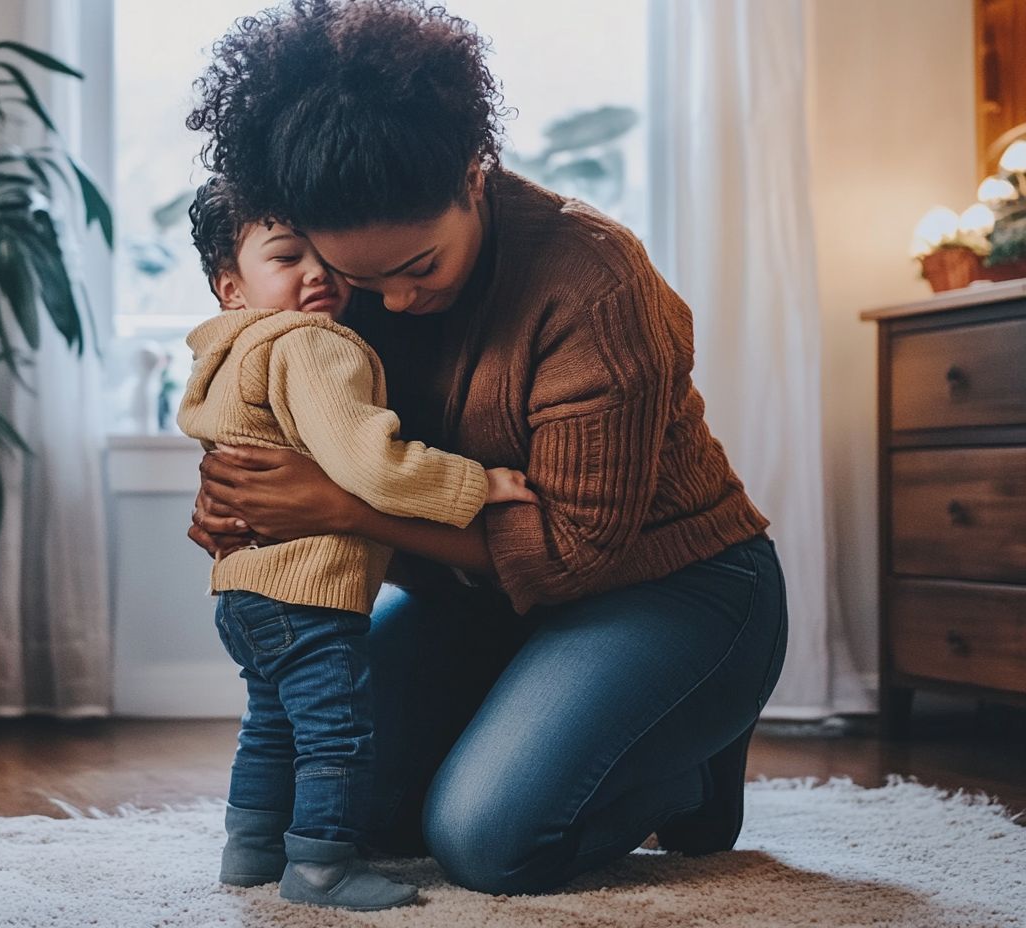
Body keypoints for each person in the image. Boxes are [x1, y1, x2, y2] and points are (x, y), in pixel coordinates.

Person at [186, 0, 789, 896]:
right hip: (483, 595)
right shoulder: (328, 302)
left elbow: (576, 554)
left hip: (674, 586)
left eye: (420, 267)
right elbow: (316, 434)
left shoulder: (593, 285)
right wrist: (244, 497)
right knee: (356, 800)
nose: (391, 303)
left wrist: (341, 509)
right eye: (360, 278)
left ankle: (690, 770)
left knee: (486, 842)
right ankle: (572, 726)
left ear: (474, 177)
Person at [178, 176, 536, 909]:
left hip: (243, 590)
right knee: (336, 734)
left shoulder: (223, 355)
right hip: (307, 590)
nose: (315, 272)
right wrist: (477, 485)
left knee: (272, 725)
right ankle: (321, 869)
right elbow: (369, 460)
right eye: (286, 255)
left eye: (323, 255)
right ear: (231, 286)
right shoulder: (310, 344)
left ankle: (249, 852)